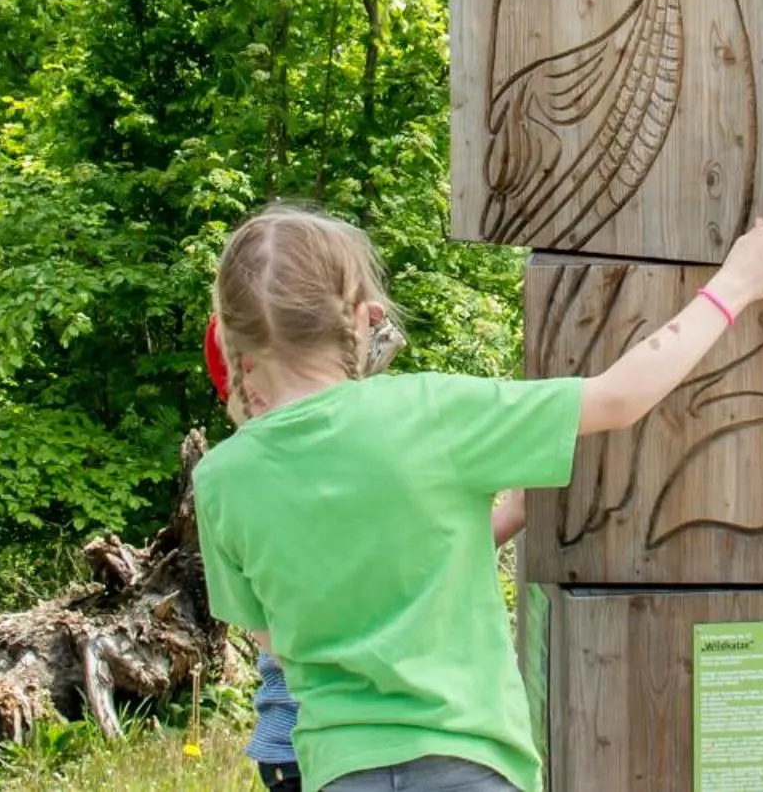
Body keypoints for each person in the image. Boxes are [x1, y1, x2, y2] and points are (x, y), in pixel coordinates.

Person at [196, 205, 763, 792]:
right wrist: (734, 284)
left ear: (231, 342)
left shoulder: (223, 478)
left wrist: (483, 528)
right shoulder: (427, 412)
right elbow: (619, 398)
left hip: (338, 768)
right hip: (469, 761)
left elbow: (282, 631)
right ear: (363, 317)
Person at [200, 316, 526, 791]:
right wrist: (512, 513)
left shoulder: (254, 474)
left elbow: (400, 566)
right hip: (327, 745)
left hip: (298, 749)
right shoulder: (297, 466)